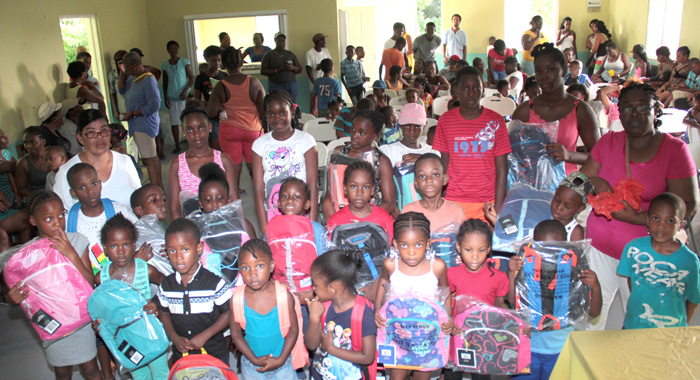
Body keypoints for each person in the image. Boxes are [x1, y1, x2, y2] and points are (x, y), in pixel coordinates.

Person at [580, 82, 699, 331]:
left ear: (656, 110)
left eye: (642, 107)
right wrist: (596, 181)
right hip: (600, 248)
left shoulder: (674, 151)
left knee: (643, 323)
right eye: (626, 108)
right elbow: (580, 179)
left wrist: (634, 218)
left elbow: (687, 206)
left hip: (647, 256)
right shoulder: (609, 142)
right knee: (590, 320)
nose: (633, 114)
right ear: (618, 112)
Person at [5, 191, 101, 380]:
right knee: (62, 371)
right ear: (33, 221)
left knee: (90, 368)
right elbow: (20, 295)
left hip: (80, 320)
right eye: (49, 218)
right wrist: (11, 299)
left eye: (60, 215)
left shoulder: (76, 241)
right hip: (52, 323)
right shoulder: (28, 256)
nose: (57, 222)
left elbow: (89, 282)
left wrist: (70, 253)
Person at [508, 220, 602, 380]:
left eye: (555, 249)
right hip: (528, 349)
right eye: (544, 249)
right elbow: (513, 302)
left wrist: (596, 287)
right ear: (534, 244)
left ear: (566, 245)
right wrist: (511, 273)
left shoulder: (576, 270)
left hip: (561, 350)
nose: (549, 255)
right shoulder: (526, 264)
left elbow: (593, 312)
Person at [374, 212, 452, 380]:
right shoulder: (391, 264)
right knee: (397, 375)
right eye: (404, 245)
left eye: (418, 245)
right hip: (397, 332)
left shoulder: (437, 266)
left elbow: (445, 290)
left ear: (428, 244)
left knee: (422, 375)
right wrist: (377, 309)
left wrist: (448, 316)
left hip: (427, 334)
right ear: (395, 244)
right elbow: (382, 283)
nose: (411, 252)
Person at [93, 214, 167, 380]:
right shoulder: (101, 279)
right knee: (140, 376)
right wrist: (99, 324)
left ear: (134, 245)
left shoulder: (146, 270)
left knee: (161, 374)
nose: (120, 251)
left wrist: (156, 303)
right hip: (124, 339)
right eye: (113, 245)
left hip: (150, 334)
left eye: (126, 244)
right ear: (104, 247)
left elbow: (168, 286)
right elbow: (102, 309)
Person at [433, 67, 511, 221]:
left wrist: (498, 207)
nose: (471, 93)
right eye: (465, 88)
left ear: (483, 90)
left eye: (476, 88)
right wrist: (440, 201)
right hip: (454, 199)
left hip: (487, 203)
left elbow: (502, 169)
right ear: (456, 91)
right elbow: (444, 164)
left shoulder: (496, 121)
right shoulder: (445, 121)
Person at [512, 43, 600, 175]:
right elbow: (512, 155)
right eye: (539, 71)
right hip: (530, 187)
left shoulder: (581, 110)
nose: (544, 76)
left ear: (564, 70)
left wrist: (568, 155)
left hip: (568, 188)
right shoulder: (524, 111)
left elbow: (598, 157)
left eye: (550, 70)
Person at [619, 193, 700, 330]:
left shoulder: (689, 260)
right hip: (634, 326)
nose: (661, 226)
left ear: (681, 225)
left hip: (671, 330)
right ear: (648, 220)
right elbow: (631, 280)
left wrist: (682, 326)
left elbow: (693, 298)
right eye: (656, 218)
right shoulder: (633, 249)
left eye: (670, 221)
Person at [157, 218, 233, 364]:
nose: (178, 257)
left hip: (214, 353)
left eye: (185, 249)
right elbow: (164, 312)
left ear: (199, 249)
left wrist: (205, 336)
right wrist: (174, 338)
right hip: (182, 356)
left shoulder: (214, 283)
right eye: (172, 250)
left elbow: (229, 312)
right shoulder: (167, 285)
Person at [443, 218, 510, 380]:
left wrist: (517, 323)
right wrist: (449, 318)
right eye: (468, 250)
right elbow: (445, 300)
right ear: (458, 247)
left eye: (481, 250)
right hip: (458, 335)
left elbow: (500, 305)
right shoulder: (452, 273)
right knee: (452, 375)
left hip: (485, 339)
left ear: (488, 249)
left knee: (481, 377)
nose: (474, 256)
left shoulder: (499, 277)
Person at [230, 239, 299, 378]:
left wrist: (281, 359)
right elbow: (236, 335)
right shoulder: (237, 299)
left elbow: (293, 330)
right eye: (245, 268)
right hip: (251, 366)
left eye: (259, 266)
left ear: (271, 265)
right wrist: (254, 360)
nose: (252, 274)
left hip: (282, 363)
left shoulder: (283, 296)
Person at [252, 91, 318, 235]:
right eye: (271, 114)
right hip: (273, 209)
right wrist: (264, 227)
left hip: (301, 208)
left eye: (282, 112)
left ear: (292, 111)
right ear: (266, 117)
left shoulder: (306, 140)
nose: (277, 118)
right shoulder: (260, 145)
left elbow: (312, 185)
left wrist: (311, 223)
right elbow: (258, 190)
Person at [305, 249, 377, 379]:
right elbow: (311, 345)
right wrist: (314, 318)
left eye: (315, 285)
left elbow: (368, 357)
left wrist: (332, 349)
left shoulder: (363, 313)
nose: (313, 289)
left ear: (332, 289)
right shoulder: (323, 308)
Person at [53, 109, 141, 210]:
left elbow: (140, 200)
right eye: (91, 132)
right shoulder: (67, 172)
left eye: (103, 130)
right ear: (80, 138)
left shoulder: (125, 162)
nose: (99, 137)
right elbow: (62, 214)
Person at [208, 47, 266, 197]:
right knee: (256, 169)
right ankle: (263, 196)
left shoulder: (221, 86)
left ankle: (233, 198)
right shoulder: (253, 82)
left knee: (233, 169)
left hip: (230, 131)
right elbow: (264, 111)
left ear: (223, 65)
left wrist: (222, 105)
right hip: (253, 131)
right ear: (241, 62)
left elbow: (211, 112)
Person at [323, 111, 397, 220]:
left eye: (362, 133)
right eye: (353, 129)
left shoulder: (381, 161)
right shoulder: (339, 153)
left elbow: (389, 203)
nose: (354, 135)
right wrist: (326, 201)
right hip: (338, 211)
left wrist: (365, 217)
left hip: (369, 216)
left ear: (376, 135)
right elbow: (331, 189)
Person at [65, 163, 138, 273]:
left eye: (94, 184)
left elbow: (141, 237)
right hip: (87, 283)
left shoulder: (119, 211)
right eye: (82, 187)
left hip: (124, 276)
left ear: (100, 184)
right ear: (73, 193)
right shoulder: (68, 222)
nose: (90, 191)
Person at [167, 105, 237, 220]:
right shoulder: (177, 165)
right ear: (183, 131)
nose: (197, 134)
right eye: (190, 130)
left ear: (209, 127)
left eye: (201, 128)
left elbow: (234, 201)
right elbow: (174, 208)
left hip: (222, 225)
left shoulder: (223, 160)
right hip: (191, 229)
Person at [119, 51, 163, 188]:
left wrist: (132, 114)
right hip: (137, 124)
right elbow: (121, 90)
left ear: (133, 66)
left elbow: (154, 105)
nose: (125, 70)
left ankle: (157, 189)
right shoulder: (134, 78)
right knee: (149, 158)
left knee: (150, 159)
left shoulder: (148, 80)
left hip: (144, 124)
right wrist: (122, 73)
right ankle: (158, 188)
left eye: (126, 67)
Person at [326, 160, 395, 242]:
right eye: (354, 186)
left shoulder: (384, 218)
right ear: (345, 189)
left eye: (366, 187)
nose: (359, 193)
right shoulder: (336, 220)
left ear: (372, 190)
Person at [379, 103, 438, 168]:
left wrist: (424, 160)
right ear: (400, 125)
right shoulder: (387, 152)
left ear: (425, 125)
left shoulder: (433, 153)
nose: (412, 131)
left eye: (417, 126)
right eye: (407, 126)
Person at [161, 40, 194, 154]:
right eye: (171, 48)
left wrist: (185, 90)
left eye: (175, 48)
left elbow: (191, 78)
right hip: (172, 98)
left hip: (183, 98)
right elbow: (165, 81)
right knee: (174, 123)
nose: (173, 50)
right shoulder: (165, 65)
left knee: (186, 121)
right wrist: (165, 96)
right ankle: (177, 145)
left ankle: (191, 145)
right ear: (168, 50)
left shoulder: (184, 62)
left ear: (178, 49)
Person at [194, 45, 227, 150]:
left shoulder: (225, 76)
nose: (217, 63)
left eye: (219, 60)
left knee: (227, 147)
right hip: (211, 117)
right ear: (206, 60)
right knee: (215, 148)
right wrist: (202, 104)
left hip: (226, 116)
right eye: (213, 60)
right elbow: (196, 99)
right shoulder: (201, 78)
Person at [261, 33, 303, 103]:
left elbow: (299, 69)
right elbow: (263, 71)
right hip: (276, 85)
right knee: (277, 104)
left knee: (292, 104)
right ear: (275, 41)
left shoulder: (290, 54)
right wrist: (277, 70)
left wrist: (292, 68)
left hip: (291, 84)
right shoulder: (269, 55)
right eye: (279, 41)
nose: (281, 43)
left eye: (283, 41)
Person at [16, 127, 50, 199]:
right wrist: (37, 196)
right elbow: (21, 188)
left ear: (43, 141)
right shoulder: (23, 163)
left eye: (33, 142)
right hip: (38, 198)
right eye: (26, 143)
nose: (28, 146)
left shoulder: (53, 154)